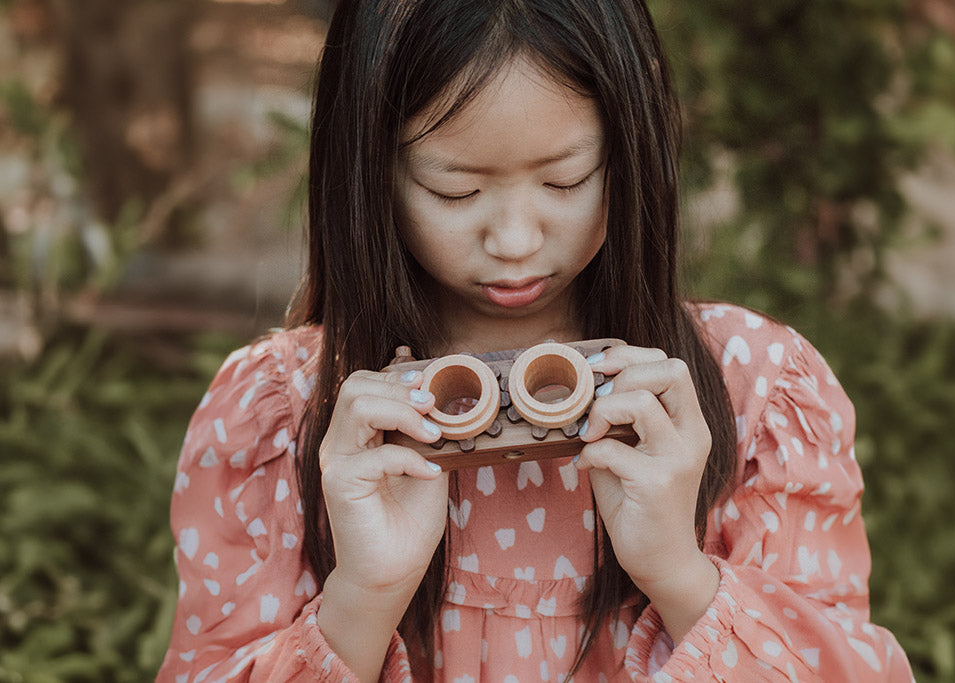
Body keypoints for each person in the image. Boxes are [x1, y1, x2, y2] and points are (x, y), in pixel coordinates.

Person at [157, 0, 914, 680]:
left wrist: (678, 573)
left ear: (629, 150)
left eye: (564, 180)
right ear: (369, 169)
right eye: (456, 190)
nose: (516, 239)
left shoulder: (756, 394)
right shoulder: (285, 416)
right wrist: (362, 597)